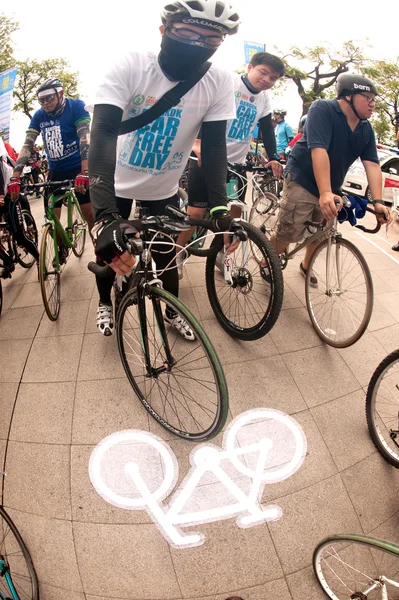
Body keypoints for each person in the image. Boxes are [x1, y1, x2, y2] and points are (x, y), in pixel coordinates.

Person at [88, 0, 241, 338]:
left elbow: (214, 146)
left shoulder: (219, 80)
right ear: (163, 31)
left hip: (165, 189)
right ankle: (104, 302)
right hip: (116, 186)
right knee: (112, 255)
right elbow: (102, 134)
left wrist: (219, 204)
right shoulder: (130, 66)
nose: (197, 44)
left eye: (211, 39)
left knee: (167, 256)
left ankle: (173, 310)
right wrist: (104, 215)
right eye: (187, 32)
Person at [266, 73, 390, 285]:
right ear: (348, 96)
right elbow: (319, 149)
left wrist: (377, 201)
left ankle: (306, 266)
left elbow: (372, 164)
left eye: (374, 100)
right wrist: (324, 192)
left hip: (331, 185)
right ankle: (268, 261)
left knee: (322, 232)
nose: (372, 104)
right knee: (288, 230)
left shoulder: (365, 128)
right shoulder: (323, 108)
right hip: (303, 177)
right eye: (367, 97)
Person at [175, 51, 285, 277]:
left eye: (273, 78)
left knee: (234, 214)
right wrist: (197, 143)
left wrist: (273, 156)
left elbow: (267, 130)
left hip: (236, 163)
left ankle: (221, 254)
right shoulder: (229, 83)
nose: (267, 80)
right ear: (249, 67)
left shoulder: (264, 99)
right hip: (207, 157)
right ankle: (177, 253)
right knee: (197, 210)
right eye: (263, 73)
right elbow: (203, 111)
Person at [7, 78, 94, 256]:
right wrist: (15, 176)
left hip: (78, 167)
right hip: (56, 170)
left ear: (60, 94)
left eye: (49, 98)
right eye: (41, 100)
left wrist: (85, 172)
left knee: (90, 215)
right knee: (51, 217)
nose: (45, 103)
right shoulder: (40, 115)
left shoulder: (76, 106)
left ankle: (101, 255)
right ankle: (61, 247)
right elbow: (27, 145)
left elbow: (85, 138)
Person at [0, 137, 39, 277]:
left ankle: (38, 256)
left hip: (8, 194)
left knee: (19, 235)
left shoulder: (2, 156)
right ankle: (7, 260)